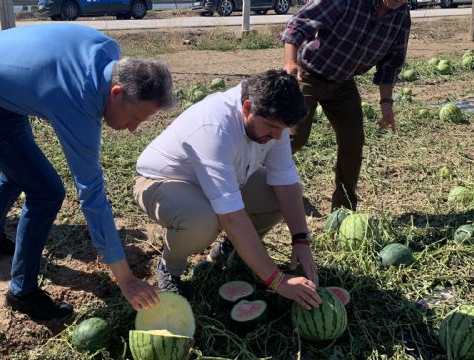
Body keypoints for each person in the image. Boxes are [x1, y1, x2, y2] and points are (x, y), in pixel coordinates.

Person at [0, 24, 175, 320]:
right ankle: (21, 291)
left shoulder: (109, 52)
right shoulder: (78, 99)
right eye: (133, 118)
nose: (132, 129)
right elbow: (92, 195)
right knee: (46, 192)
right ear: (116, 92)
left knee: (21, 167)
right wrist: (126, 279)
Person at [134, 69, 322, 310]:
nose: (277, 137)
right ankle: (170, 268)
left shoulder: (275, 120)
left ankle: (232, 251)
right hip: (163, 181)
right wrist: (278, 281)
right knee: (202, 220)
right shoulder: (214, 127)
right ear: (246, 108)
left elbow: (285, 182)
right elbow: (231, 217)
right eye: (271, 128)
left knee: (276, 196)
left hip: (225, 178)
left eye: (282, 130)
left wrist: (301, 239)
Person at [281, 0, 410, 211]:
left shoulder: (401, 16)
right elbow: (298, 23)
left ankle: (343, 209)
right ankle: (259, 178)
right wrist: (290, 63)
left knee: (353, 143)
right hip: (308, 74)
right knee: (294, 137)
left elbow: (391, 63)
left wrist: (386, 102)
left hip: (343, 82)